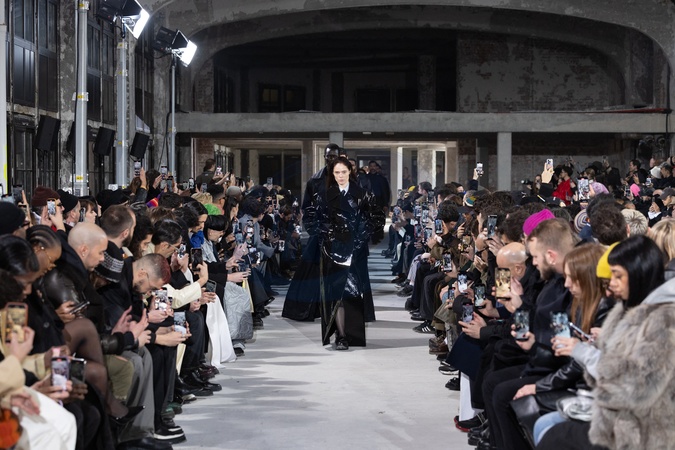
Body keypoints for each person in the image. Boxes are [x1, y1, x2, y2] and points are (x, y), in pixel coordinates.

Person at [304, 156, 380, 350]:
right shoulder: (323, 195)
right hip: (332, 250)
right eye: (336, 172)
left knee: (352, 292)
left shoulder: (363, 195)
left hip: (355, 250)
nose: (340, 176)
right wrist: (325, 236)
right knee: (335, 292)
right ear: (332, 174)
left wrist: (360, 238)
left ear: (350, 172)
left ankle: (350, 334)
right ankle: (341, 335)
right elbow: (310, 219)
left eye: (344, 172)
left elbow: (375, 218)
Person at [281, 143, 341, 321]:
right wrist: (313, 228)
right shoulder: (315, 181)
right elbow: (307, 207)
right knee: (312, 270)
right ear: (324, 157)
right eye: (328, 156)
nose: (331, 159)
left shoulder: (347, 179)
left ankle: (337, 312)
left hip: (341, 232)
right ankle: (310, 309)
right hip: (320, 231)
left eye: (334, 156)